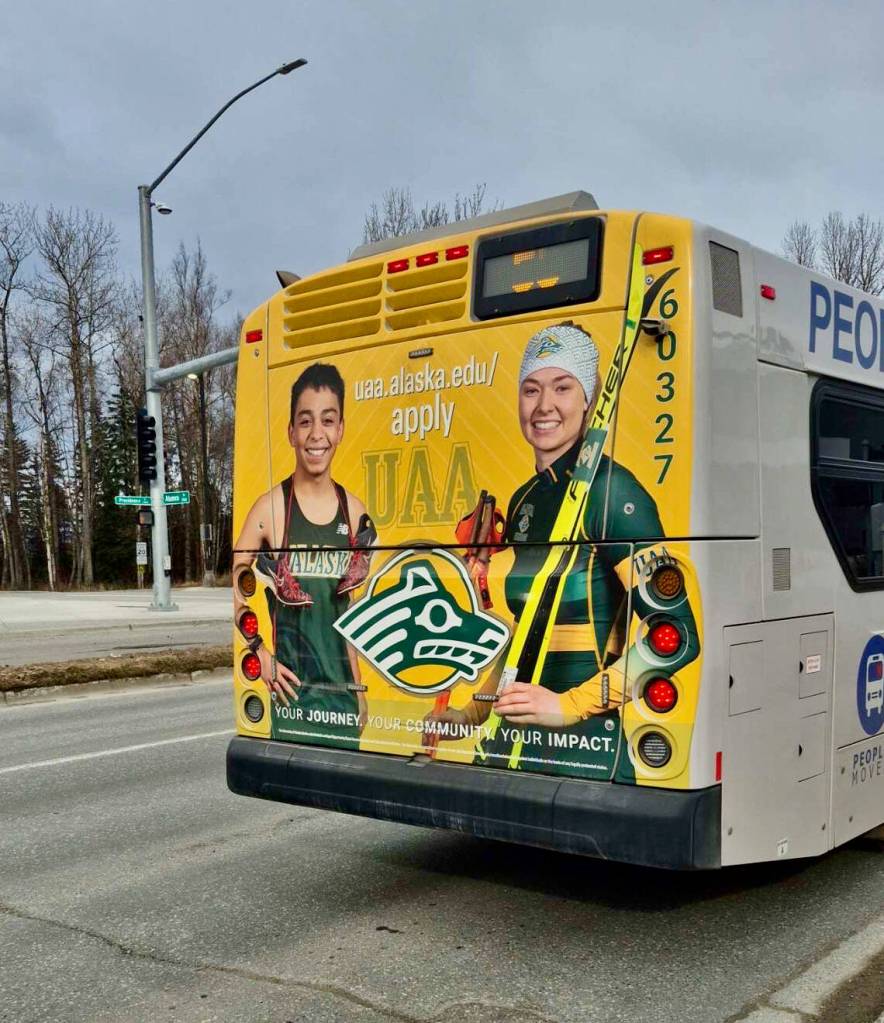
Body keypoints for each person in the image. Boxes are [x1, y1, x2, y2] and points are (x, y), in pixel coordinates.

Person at [426, 322, 699, 778]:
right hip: (509, 746)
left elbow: (673, 638)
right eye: (531, 390)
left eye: (562, 387)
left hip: (585, 754)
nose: (544, 405)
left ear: (589, 400)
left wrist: (568, 705)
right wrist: (472, 714)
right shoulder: (525, 500)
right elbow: (526, 632)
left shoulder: (613, 493)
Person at [233, 362, 375, 748]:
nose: (317, 434)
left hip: (342, 697)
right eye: (306, 421)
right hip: (293, 697)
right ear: (291, 431)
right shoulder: (270, 510)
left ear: (341, 429)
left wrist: (359, 687)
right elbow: (238, 583)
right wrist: (259, 651)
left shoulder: (355, 511)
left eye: (328, 420)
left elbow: (347, 611)